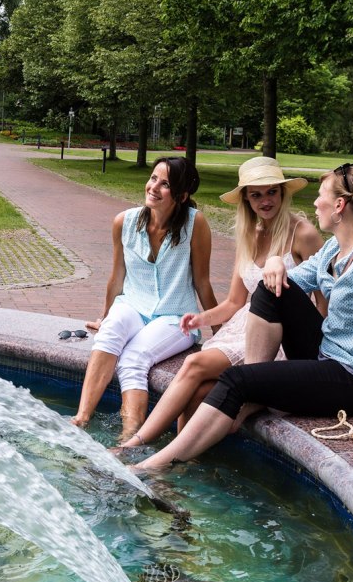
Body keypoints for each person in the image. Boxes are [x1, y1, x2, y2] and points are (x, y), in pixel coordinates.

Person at [131, 162, 353, 473]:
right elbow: (290, 284)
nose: (315, 203)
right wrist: (276, 264)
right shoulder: (335, 248)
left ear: (339, 206)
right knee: (269, 289)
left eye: (320, 196)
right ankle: (250, 392)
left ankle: (154, 465)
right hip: (329, 353)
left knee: (236, 381)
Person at [115, 157, 320, 448]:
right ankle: (179, 467)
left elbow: (323, 304)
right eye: (256, 194)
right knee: (201, 392)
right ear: (246, 200)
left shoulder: (304, 234)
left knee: (195, 363)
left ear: (283, 193)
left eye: (272, 191)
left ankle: (136, 443)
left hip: (283, 338)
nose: (265, 201)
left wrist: (311, 357)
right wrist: (200, 319)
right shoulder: (250, 234)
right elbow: (235, 302)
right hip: (245, 325)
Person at [73, 156, 218, 443]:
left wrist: (220, 331)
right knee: (110, 333)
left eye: (165, 184)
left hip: (176, 316)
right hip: (133, 305)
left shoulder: (195, 224)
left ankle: (128, 438)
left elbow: (202, 281)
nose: (154, 187)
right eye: (153, 178)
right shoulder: (124, 222)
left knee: (133, 359)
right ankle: (81, 418)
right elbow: (117, 277)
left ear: (181, 195)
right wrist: (104, 316)